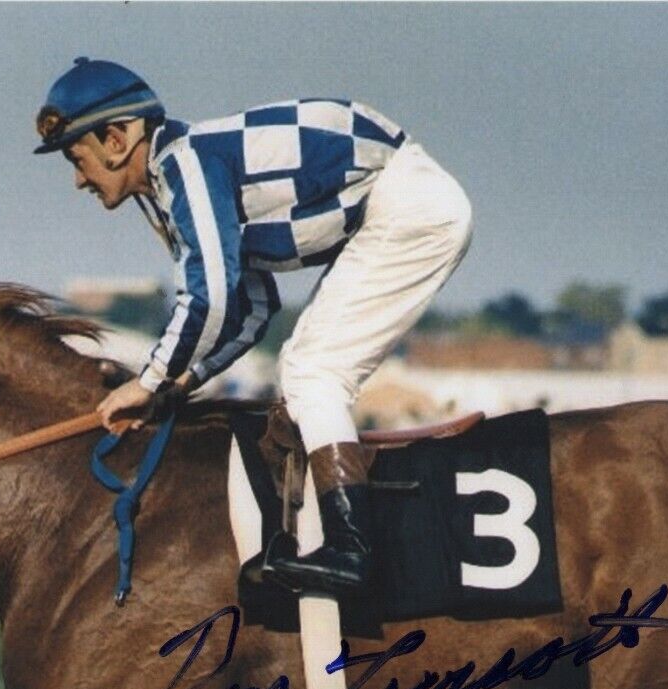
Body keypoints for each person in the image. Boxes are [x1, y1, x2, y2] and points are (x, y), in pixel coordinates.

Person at [35, 57, 473, 596]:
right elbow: (251, 309)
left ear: (117, 138)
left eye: (78, 157)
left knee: (312, 372)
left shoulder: (184, 168)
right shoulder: (178, 181)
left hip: (409, 205)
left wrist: (148, 381)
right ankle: (327, 536)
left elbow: (209, 296)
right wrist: (182, 383)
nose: (78, 179)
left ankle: (352, 551)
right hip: (398, 201)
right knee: (301, 366)